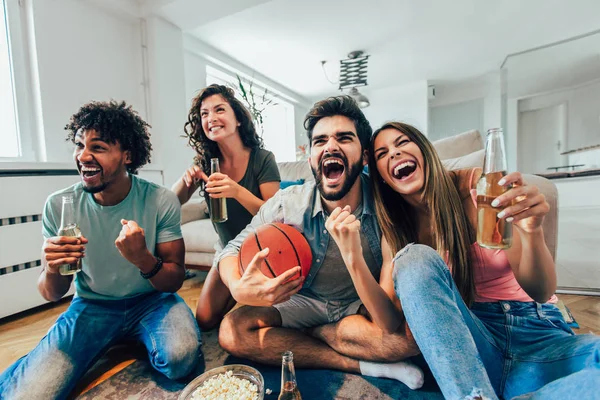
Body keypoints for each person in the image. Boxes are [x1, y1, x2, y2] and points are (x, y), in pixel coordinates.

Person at [369, 121, 600, 399]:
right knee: (413, 258)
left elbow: (541, 291)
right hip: (471, 346)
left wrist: (531, 231)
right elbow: (388, 322)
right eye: (382, 154)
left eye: (402, 142)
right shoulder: (396, 230)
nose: (393, 153)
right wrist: (352, 257)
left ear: (425, 150)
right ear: (381, 175)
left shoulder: (479, 189)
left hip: (538, 335)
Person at [216, 96, 425, 390]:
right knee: (231, 331)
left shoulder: (388, 206)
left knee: (409, 340)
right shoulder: (288, 204)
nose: (330, 146)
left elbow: (388, 317)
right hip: (302, 302)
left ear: (365, 156)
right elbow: (232, 249)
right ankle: (357, 363)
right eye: (320, 141)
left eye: (344, 138)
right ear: (311, 155)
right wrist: (237, 286)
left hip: (360, 308)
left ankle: (315, 334)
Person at [0, 101, 202, 400]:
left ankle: (126, 338)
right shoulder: (60, 205)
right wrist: (54, 268)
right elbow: (51, 293)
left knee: (180, 360)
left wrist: (143, 260)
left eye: (98, 146)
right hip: (92, 306)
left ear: (127, 156)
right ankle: (111, 340)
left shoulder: (160, 200)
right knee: (29, 395)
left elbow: (172, 281)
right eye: (80, 145)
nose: (83, 156)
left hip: (152, 302)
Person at [172, 84, 281, 330]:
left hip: (263, 249)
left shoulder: (262, 159)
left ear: (238, 119)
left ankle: (247, 294)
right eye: (204, 114)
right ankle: (239, 288)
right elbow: (171, 204)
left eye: (219, 109)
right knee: (205, 319)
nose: (211, 118)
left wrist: (237, 191)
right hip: (228, 252)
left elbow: (275, 216)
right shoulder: (206, 164)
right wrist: (184, 181)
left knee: (270, 319)